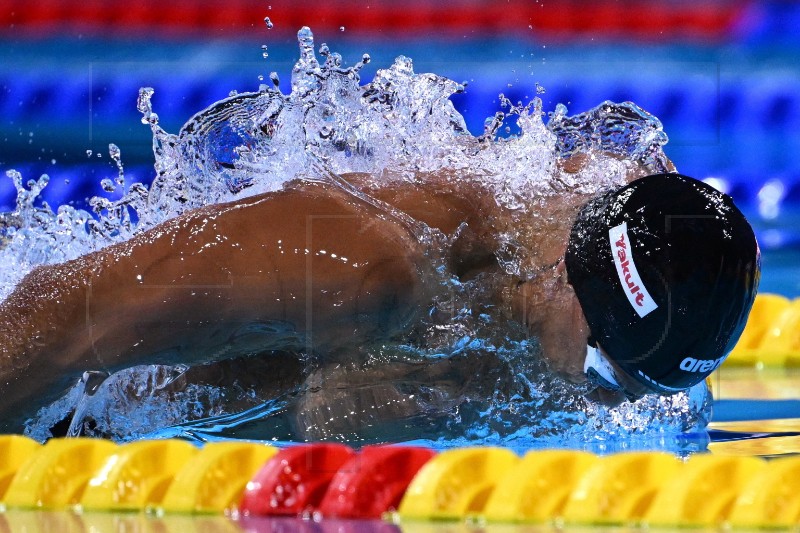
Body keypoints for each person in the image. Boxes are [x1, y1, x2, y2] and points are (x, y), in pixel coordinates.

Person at [0, 156, 759, 436]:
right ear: (562, 273)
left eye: (639, 391)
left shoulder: (613, 278)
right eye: (603, 378)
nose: (608, 409)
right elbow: (67, 311)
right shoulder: (368, 269)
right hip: (65, 417)